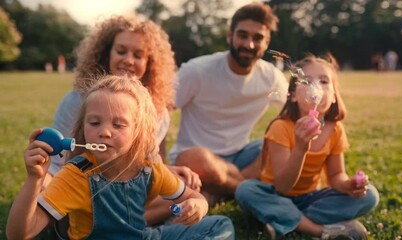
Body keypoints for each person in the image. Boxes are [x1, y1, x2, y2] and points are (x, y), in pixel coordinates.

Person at [6, 75, 235, 240]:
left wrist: (198, 204)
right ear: (83, 128)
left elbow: (194, 196)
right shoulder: (76, 175)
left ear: (138, 132)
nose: (105, 131)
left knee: (219, 224)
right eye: (95, 122)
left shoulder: (149, 170)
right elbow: (19, 234)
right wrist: (34, 180)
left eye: (118, 124)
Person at [45, 16, 201, 225]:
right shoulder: (77, 101)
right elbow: (55, 165)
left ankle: (116, 225)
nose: (128, 60)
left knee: (188, 189)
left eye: (138, 55)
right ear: (106, 53)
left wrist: (170, 173)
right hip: (78, 191)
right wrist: (41, 186)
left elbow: (146, 165)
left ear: (150, 62)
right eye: (121, 51)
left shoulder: (158, 110)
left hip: (127, 191)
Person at [235, 53, 380, 239]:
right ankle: (319, 230)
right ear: (293, 96)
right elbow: (282, 187)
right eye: (307, 81)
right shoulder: (281, 127)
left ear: (334, 96)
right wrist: (301, 148)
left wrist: (347, 185)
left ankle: (284, 221)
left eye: (324, 81)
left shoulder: (335, 130)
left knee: (370, 196)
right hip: (275, 195)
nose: (316, 86)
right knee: (245, 190)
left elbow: (336, 175)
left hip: (311, 199)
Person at [169, 2, 288, 204]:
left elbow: (293, 111)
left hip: (241, 157)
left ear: (267, 42)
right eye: (242, 35)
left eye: (258, 38)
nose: (249, 44)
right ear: (229, 35)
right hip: (198, 159)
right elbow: (161, 110)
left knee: (277, 145)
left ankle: (220, 191)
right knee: (195, 159)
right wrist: (158, 163)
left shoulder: (271, 77)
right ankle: (252, 195)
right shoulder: (197, 71)